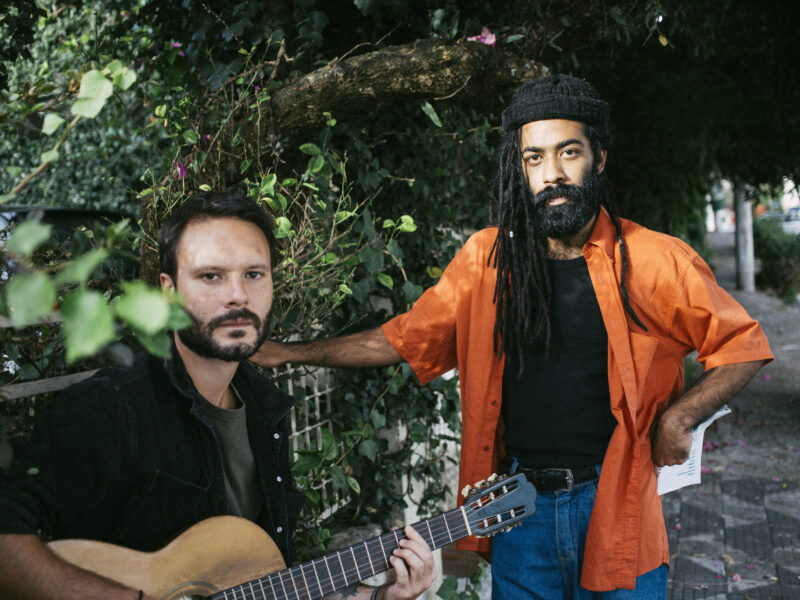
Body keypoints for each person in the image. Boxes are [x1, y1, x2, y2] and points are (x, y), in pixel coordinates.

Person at [250, 75, 774, 597]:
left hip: (619, 503)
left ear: (600, 158)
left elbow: (742, 347)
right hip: (516, 509)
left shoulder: (656, 260)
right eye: (534, 158)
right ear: (519, 168)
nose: (552, 174)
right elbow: (405, 338)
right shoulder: (486, 261)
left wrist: (680, 417)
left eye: (569, 152)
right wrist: (291, 354)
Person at [0, 192, 435, 600]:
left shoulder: (266, 412)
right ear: (169, 291)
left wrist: (377, 595)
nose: (237, 295)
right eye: (211, 276)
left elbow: (265, 584)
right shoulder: (116, 408)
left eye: (253, 274)